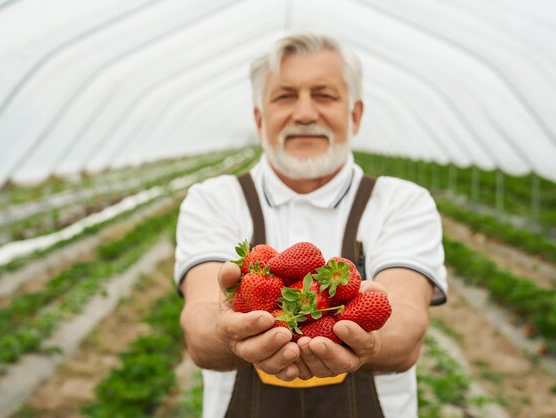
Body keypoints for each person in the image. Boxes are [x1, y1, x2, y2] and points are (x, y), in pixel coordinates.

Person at [174, 31, 447, 418]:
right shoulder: (214, 199)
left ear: (354, 115)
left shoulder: (402, 202)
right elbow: (201, 332)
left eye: (324, 95)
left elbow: (405, 330)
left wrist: (364, 338)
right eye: (284, 96)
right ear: (259, 118)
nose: (304, 113)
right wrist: (226, 327)